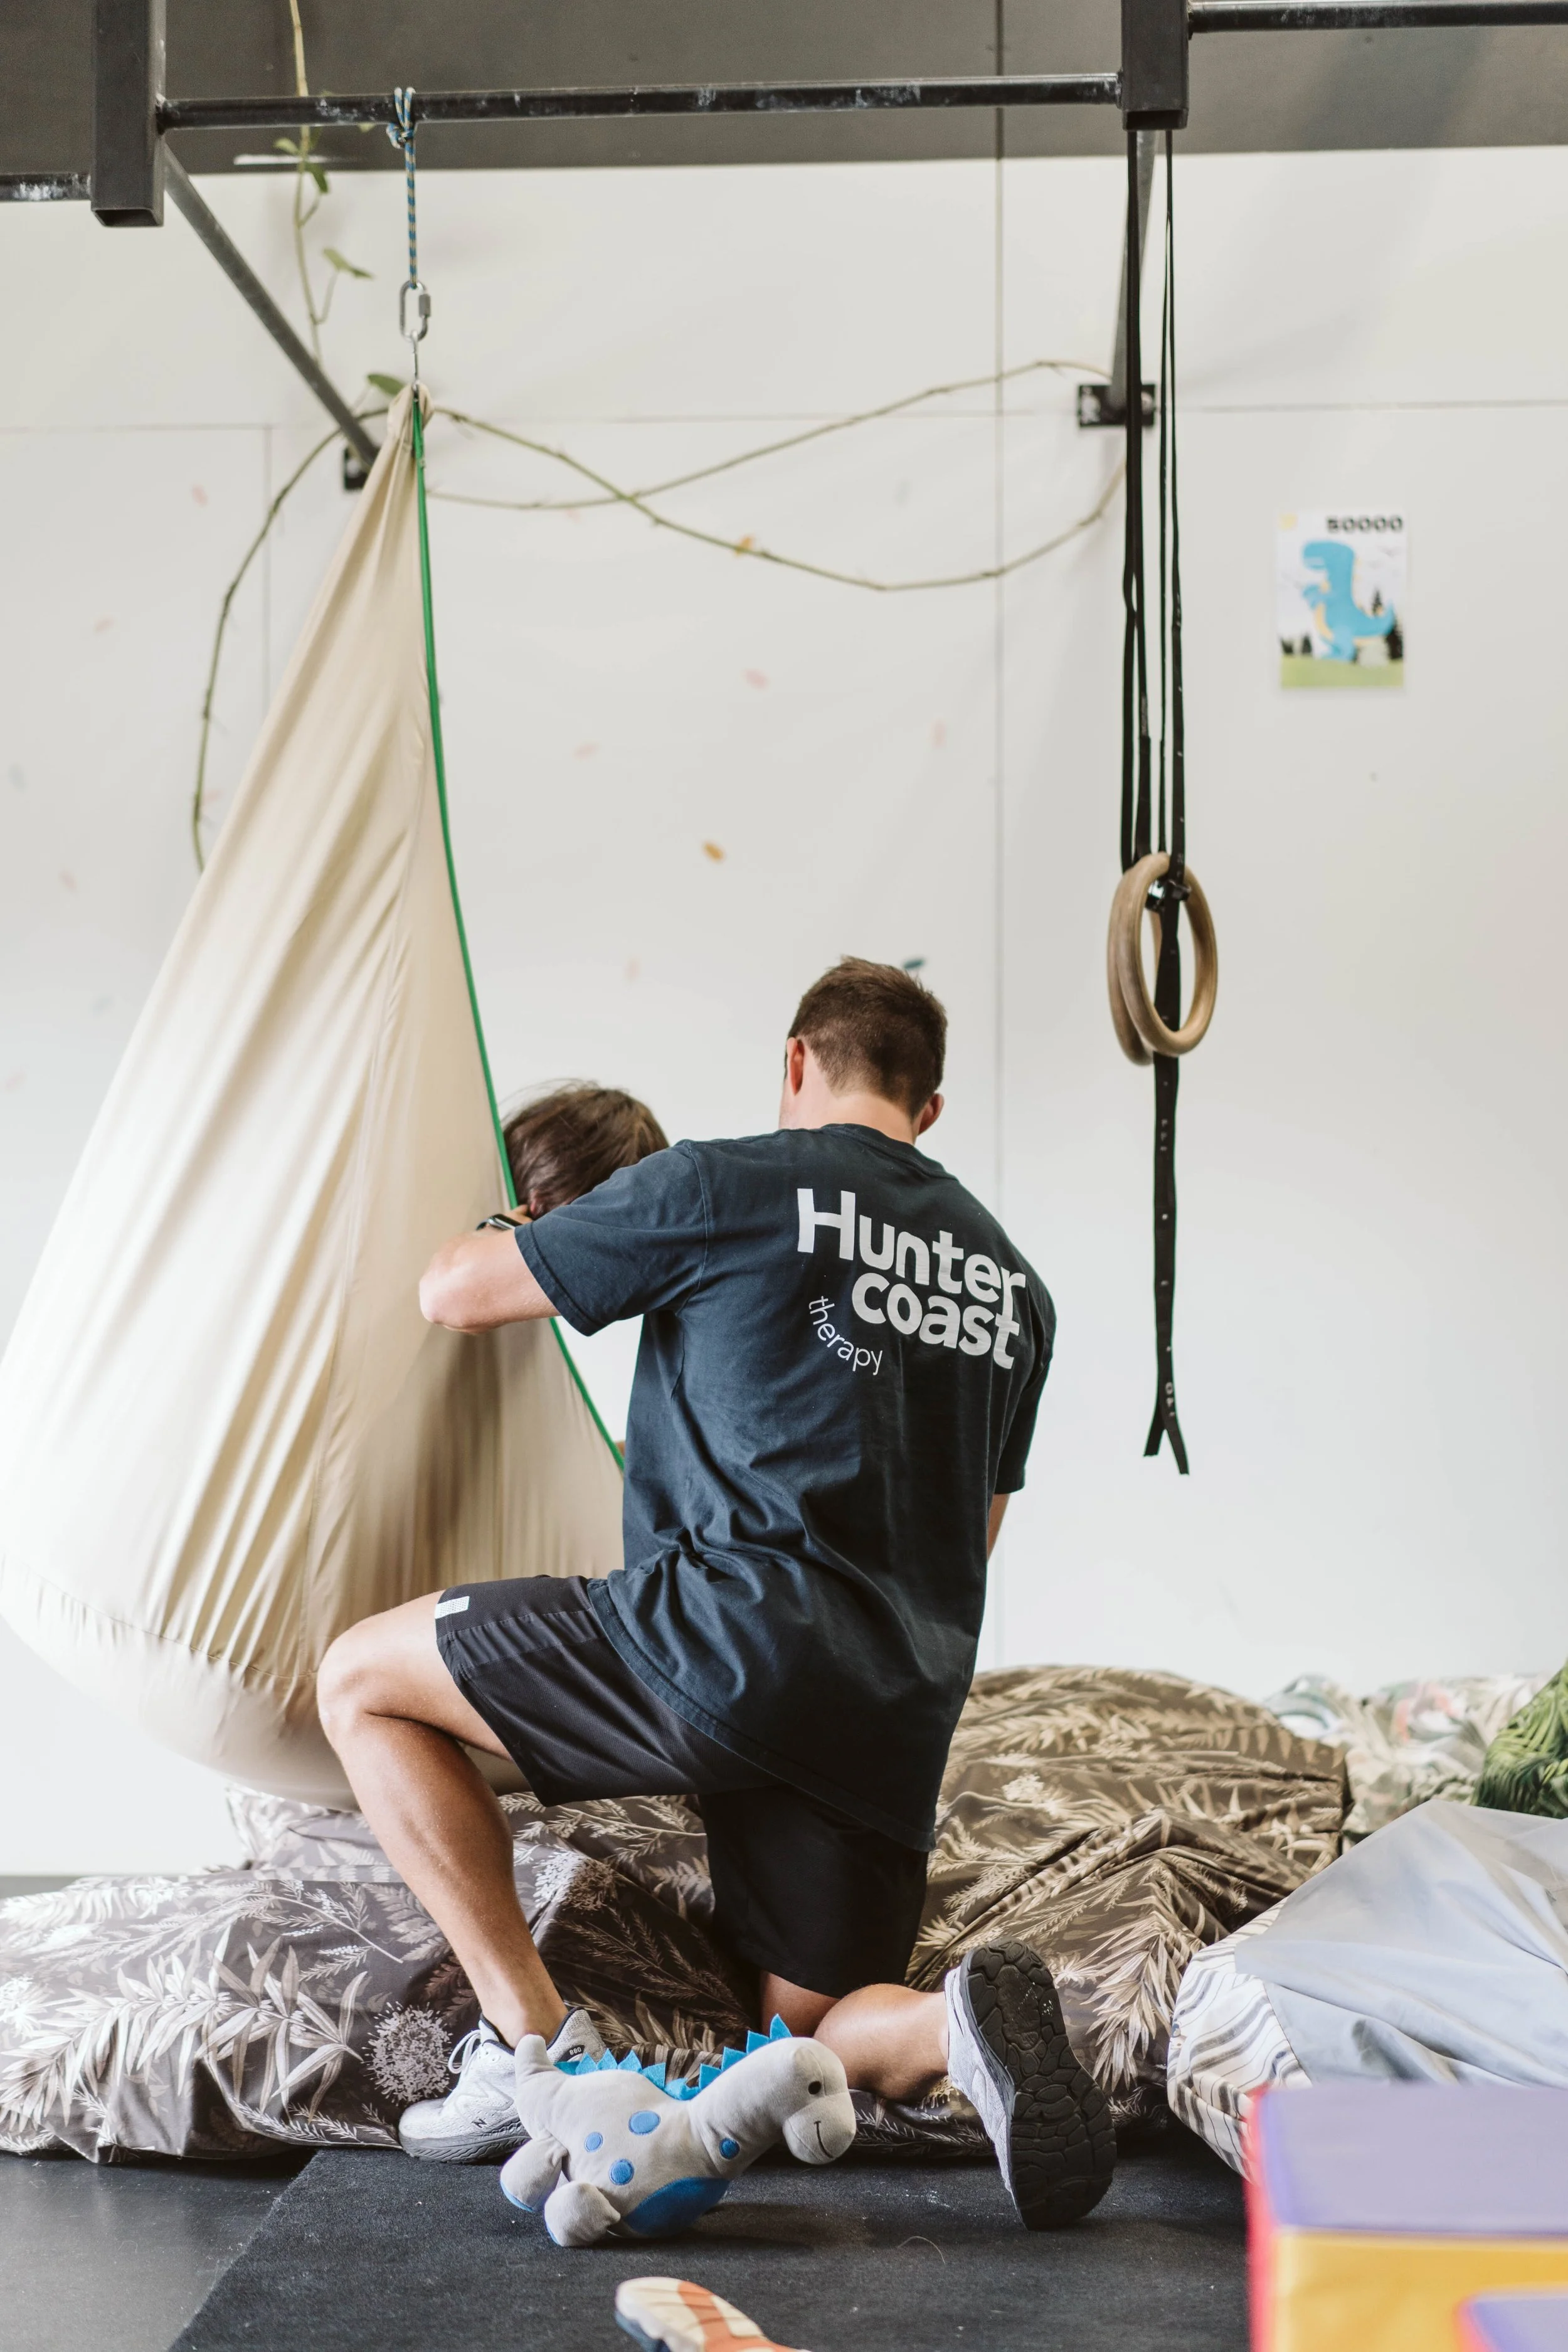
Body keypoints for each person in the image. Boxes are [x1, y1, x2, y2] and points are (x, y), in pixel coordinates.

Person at [317, 958, 1114, 2229]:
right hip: (895, 1705)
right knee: (794, 2042)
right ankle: (951, 2028)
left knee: (360, 1681)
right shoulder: (1014, 1292)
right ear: (931, 1107)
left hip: (723, 1642)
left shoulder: (724, 1181)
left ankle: (529, 2056)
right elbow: (975, 1533)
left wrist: (517, 1222)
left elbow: (454, 1297)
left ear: (797, 1062)